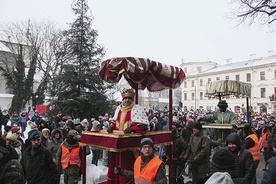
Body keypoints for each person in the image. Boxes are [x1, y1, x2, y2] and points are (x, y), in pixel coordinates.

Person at [106, 88, 149, 184]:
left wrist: (132, 129)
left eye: (129, 98)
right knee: (115, 164)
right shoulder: (118, 109)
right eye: (125, 98)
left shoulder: (137, 109)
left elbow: (143, 125)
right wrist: (111, 127)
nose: (127, 100)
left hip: (130, 146)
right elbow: (115, 122)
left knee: (128, 166)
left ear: (132, 99)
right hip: (117, 143)